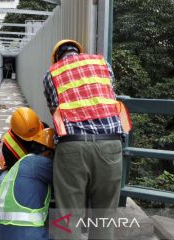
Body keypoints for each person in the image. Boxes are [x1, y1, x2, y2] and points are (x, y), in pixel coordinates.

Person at [43, 39, 131, 239]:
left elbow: (54, 112)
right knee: (104, 214)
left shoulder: (52, 73)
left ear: (57, 57)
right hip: (110, 144)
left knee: (67, 218)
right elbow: (111, 94)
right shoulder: (102, 64)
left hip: (72, 147)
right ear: (79, 52)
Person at [0, 128, 55, 240]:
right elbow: (67, 179)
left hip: (3, 230)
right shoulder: (40, 163)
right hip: (26, 232)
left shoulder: (24, 161)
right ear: (48, 153)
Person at [0, 107, 48, 172]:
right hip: (22, 171)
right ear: (16, 132)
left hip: (43, 166)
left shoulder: (42, 127)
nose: (32, 139)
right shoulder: (8, 146)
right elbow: (13, 172)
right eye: (29, 138)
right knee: (2, 179)